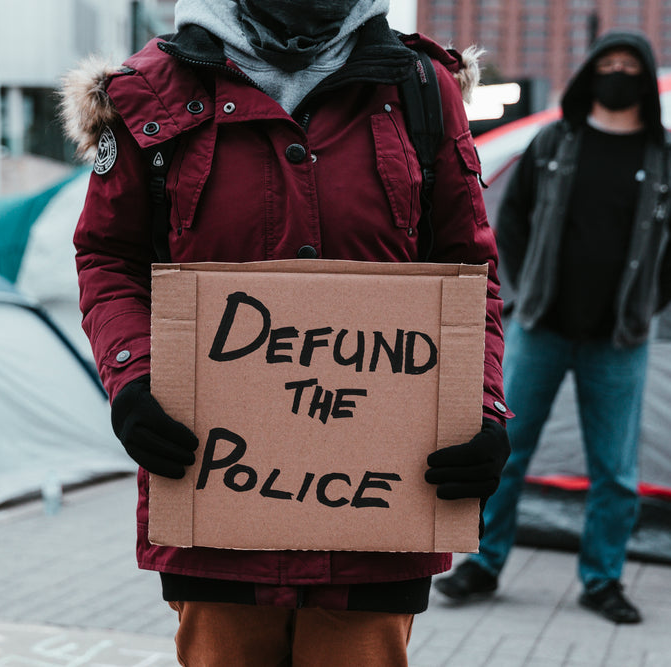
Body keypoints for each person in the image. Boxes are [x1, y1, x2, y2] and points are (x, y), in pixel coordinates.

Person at [60, 1, 512, 663]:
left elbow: (470, 270)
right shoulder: (150, 88)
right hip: (214, 513)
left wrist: (482, 407)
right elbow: (107, 256)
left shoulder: (420, 89)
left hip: (376, 529)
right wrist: (134, 375)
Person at [434, 30, 671, 624]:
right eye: (607, 63)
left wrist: (647, 304)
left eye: (628, 66)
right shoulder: (555, 140)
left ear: (647, 77)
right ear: (588, 74)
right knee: (506, 450)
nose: (617, 73)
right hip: (541, 326)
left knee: (615, 467)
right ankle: (482, 564)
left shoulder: (669, 156)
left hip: (620, 339)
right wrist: (527, 290)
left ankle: (602, 580)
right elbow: (513, 218)